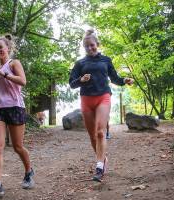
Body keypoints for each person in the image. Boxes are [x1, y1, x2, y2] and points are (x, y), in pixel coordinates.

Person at [69, 29, 134, 182]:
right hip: (86, 99)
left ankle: (99, 167)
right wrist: (81, 80)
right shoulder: (80, 63)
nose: (90, 48)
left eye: (92, 45)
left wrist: (125, 80)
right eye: (86, 46)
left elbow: (115, 78)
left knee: (100, 132)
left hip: (103, 97)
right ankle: (103, 159)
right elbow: (72, 83)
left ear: (97, 44)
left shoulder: (106, 60)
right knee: (92, 136)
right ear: (84, 48)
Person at [0, 34, 34, 197]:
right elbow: (0, 88)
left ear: (8, 48)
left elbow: (22, 81)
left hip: (15, 107)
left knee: (17, 146)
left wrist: (4, 74)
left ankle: (29, 171)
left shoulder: (14, 63)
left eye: (0, 47)